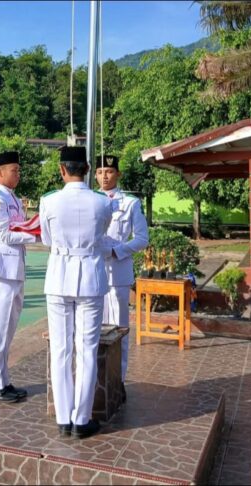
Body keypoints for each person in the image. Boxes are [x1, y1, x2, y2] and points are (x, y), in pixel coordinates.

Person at [40, 145, 113, 439]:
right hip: (90, 279)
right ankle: (81, 419)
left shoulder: (49, 202)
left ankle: (62, 417)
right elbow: (102, 233)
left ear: (62, 170)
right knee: (87, 350)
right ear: (86, 169)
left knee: (60, 349)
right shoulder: (102, 202)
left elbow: (46, 239)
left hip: (58, 277)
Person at [0, 151, 37, 403]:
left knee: (8, 329)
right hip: (1, 270)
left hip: (14, 269)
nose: (18, 173)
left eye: (18, 169)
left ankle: (2, 379)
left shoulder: (11, 198)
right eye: (14, 170)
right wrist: (35, 235)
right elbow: (4, 235)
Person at [96, 154, 149, 387]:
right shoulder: (90, 200)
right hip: (94, 271)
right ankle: (97, 380)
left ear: (118, 174)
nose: (104, 176)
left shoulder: (130, 203)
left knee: (119, 328)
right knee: (94, 327)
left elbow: (141, 239)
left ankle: (118, 380)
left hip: (118, 272)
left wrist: (118, 251)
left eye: (108, 171)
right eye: (99, 171)